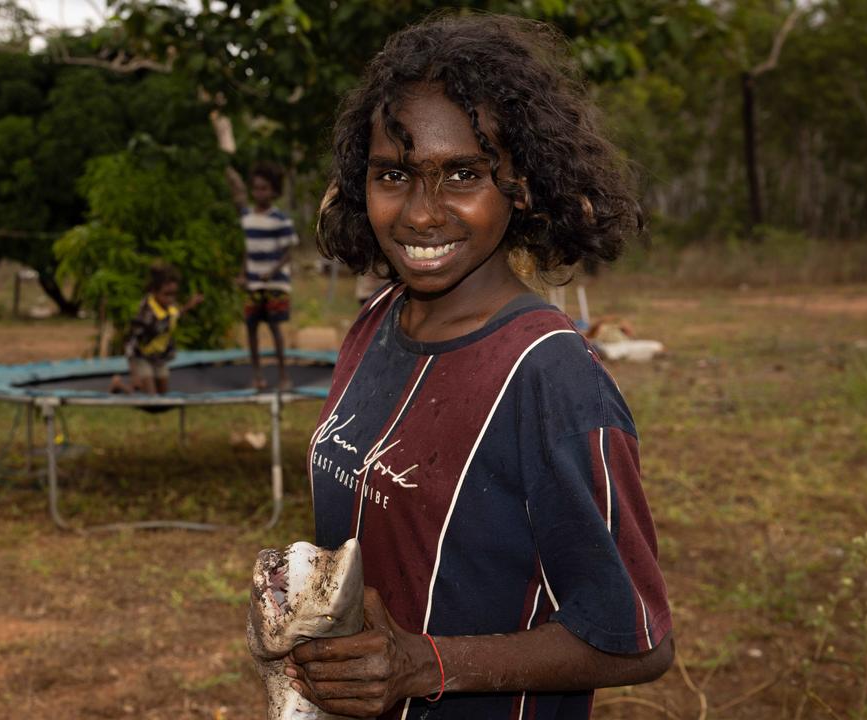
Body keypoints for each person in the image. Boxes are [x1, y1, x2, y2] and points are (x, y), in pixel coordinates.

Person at [289, 14, 673, 719]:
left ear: (521, 185)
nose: (421, 215)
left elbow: (635, 639)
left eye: (463, 174)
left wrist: (420, 667)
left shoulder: (549, 376)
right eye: (394, 175)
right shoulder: (376, 323)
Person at [226, 162, 299, 391]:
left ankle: (283, 376)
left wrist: (273, 271)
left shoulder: (280, 219)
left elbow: (289, 252)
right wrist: (242, 275)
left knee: (275, 328)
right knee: (251, 326)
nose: (259, 193)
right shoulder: (247, 217)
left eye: (264, 188)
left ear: (274, 191)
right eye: (256, 188)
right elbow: (247, 250)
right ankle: (257, 376)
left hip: (275, 283)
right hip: (253, 282)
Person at [108, 263, 202, 395]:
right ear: (154, 292)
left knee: (163, 397)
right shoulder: (146, 315)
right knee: (152, 401)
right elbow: (130, 343)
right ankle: (118, 385)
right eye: (167, 295)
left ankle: (132, 387)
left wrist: (189, 305)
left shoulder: (170, 307)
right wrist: (134, 374)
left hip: (159, 357)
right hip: (142, 356)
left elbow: (174, 315)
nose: (171, 299)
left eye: (174, 294)